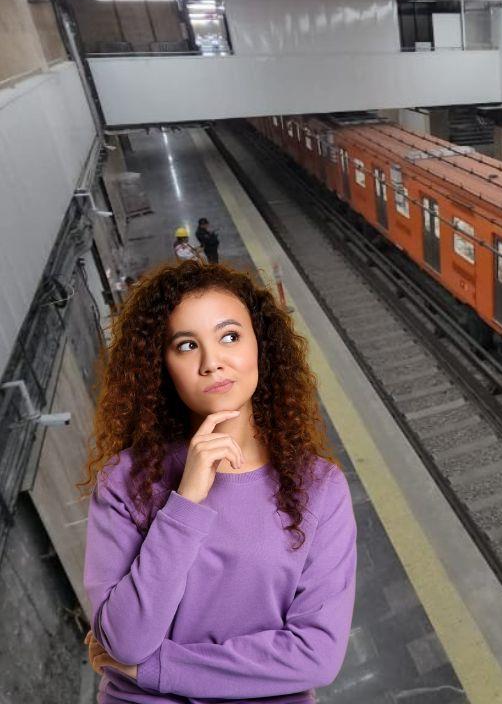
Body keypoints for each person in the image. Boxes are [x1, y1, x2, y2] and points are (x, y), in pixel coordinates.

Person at [80, 261, 356, 703]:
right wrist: (186, 501)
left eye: (230, 336)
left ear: (260, 346)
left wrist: (153, 669)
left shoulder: (320, 488)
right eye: (187, 345)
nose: (212, 363)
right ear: (161, 364)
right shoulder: (126, 480)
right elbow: (126, 640)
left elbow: (316, 655)